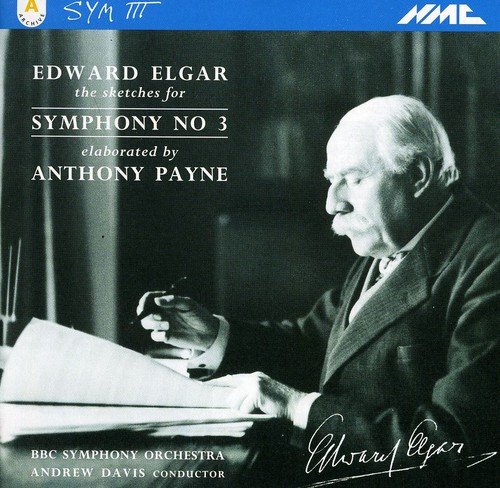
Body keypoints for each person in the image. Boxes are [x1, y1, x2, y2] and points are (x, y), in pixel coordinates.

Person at [137, 95, 499, 485]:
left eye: (353, 179)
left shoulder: (488, 262)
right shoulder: (394, 240)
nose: (332, 204)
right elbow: (317, 345)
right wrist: (215, 335)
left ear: (418, 176)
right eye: (331, 181)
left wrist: (297, 407)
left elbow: (456, 444)